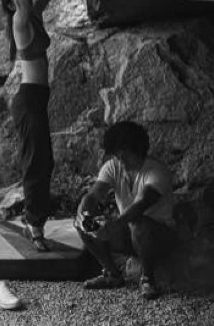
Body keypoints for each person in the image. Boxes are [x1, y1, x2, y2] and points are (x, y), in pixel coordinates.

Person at [75, 121, 179, 301]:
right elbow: (93, 195)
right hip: (130, 234)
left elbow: (141, 205)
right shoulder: (114, 167)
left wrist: (115, 225)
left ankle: (148, 279)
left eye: (125, 155)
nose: (120, 160)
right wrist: (84, 212)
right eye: (117, 155)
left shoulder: (156, 171)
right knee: (82, 224)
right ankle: (112, 274)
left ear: (138, 151)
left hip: (158, 238)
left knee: (139, 224)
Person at [2, 0, 59, 251]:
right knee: (36, 162)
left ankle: (34, 220)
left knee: (45, 161)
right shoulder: (19, 22)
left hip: (36, 99)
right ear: (13, 2)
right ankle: (33, 226)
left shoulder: (33, 18)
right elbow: (23, 2)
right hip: (28, 100)